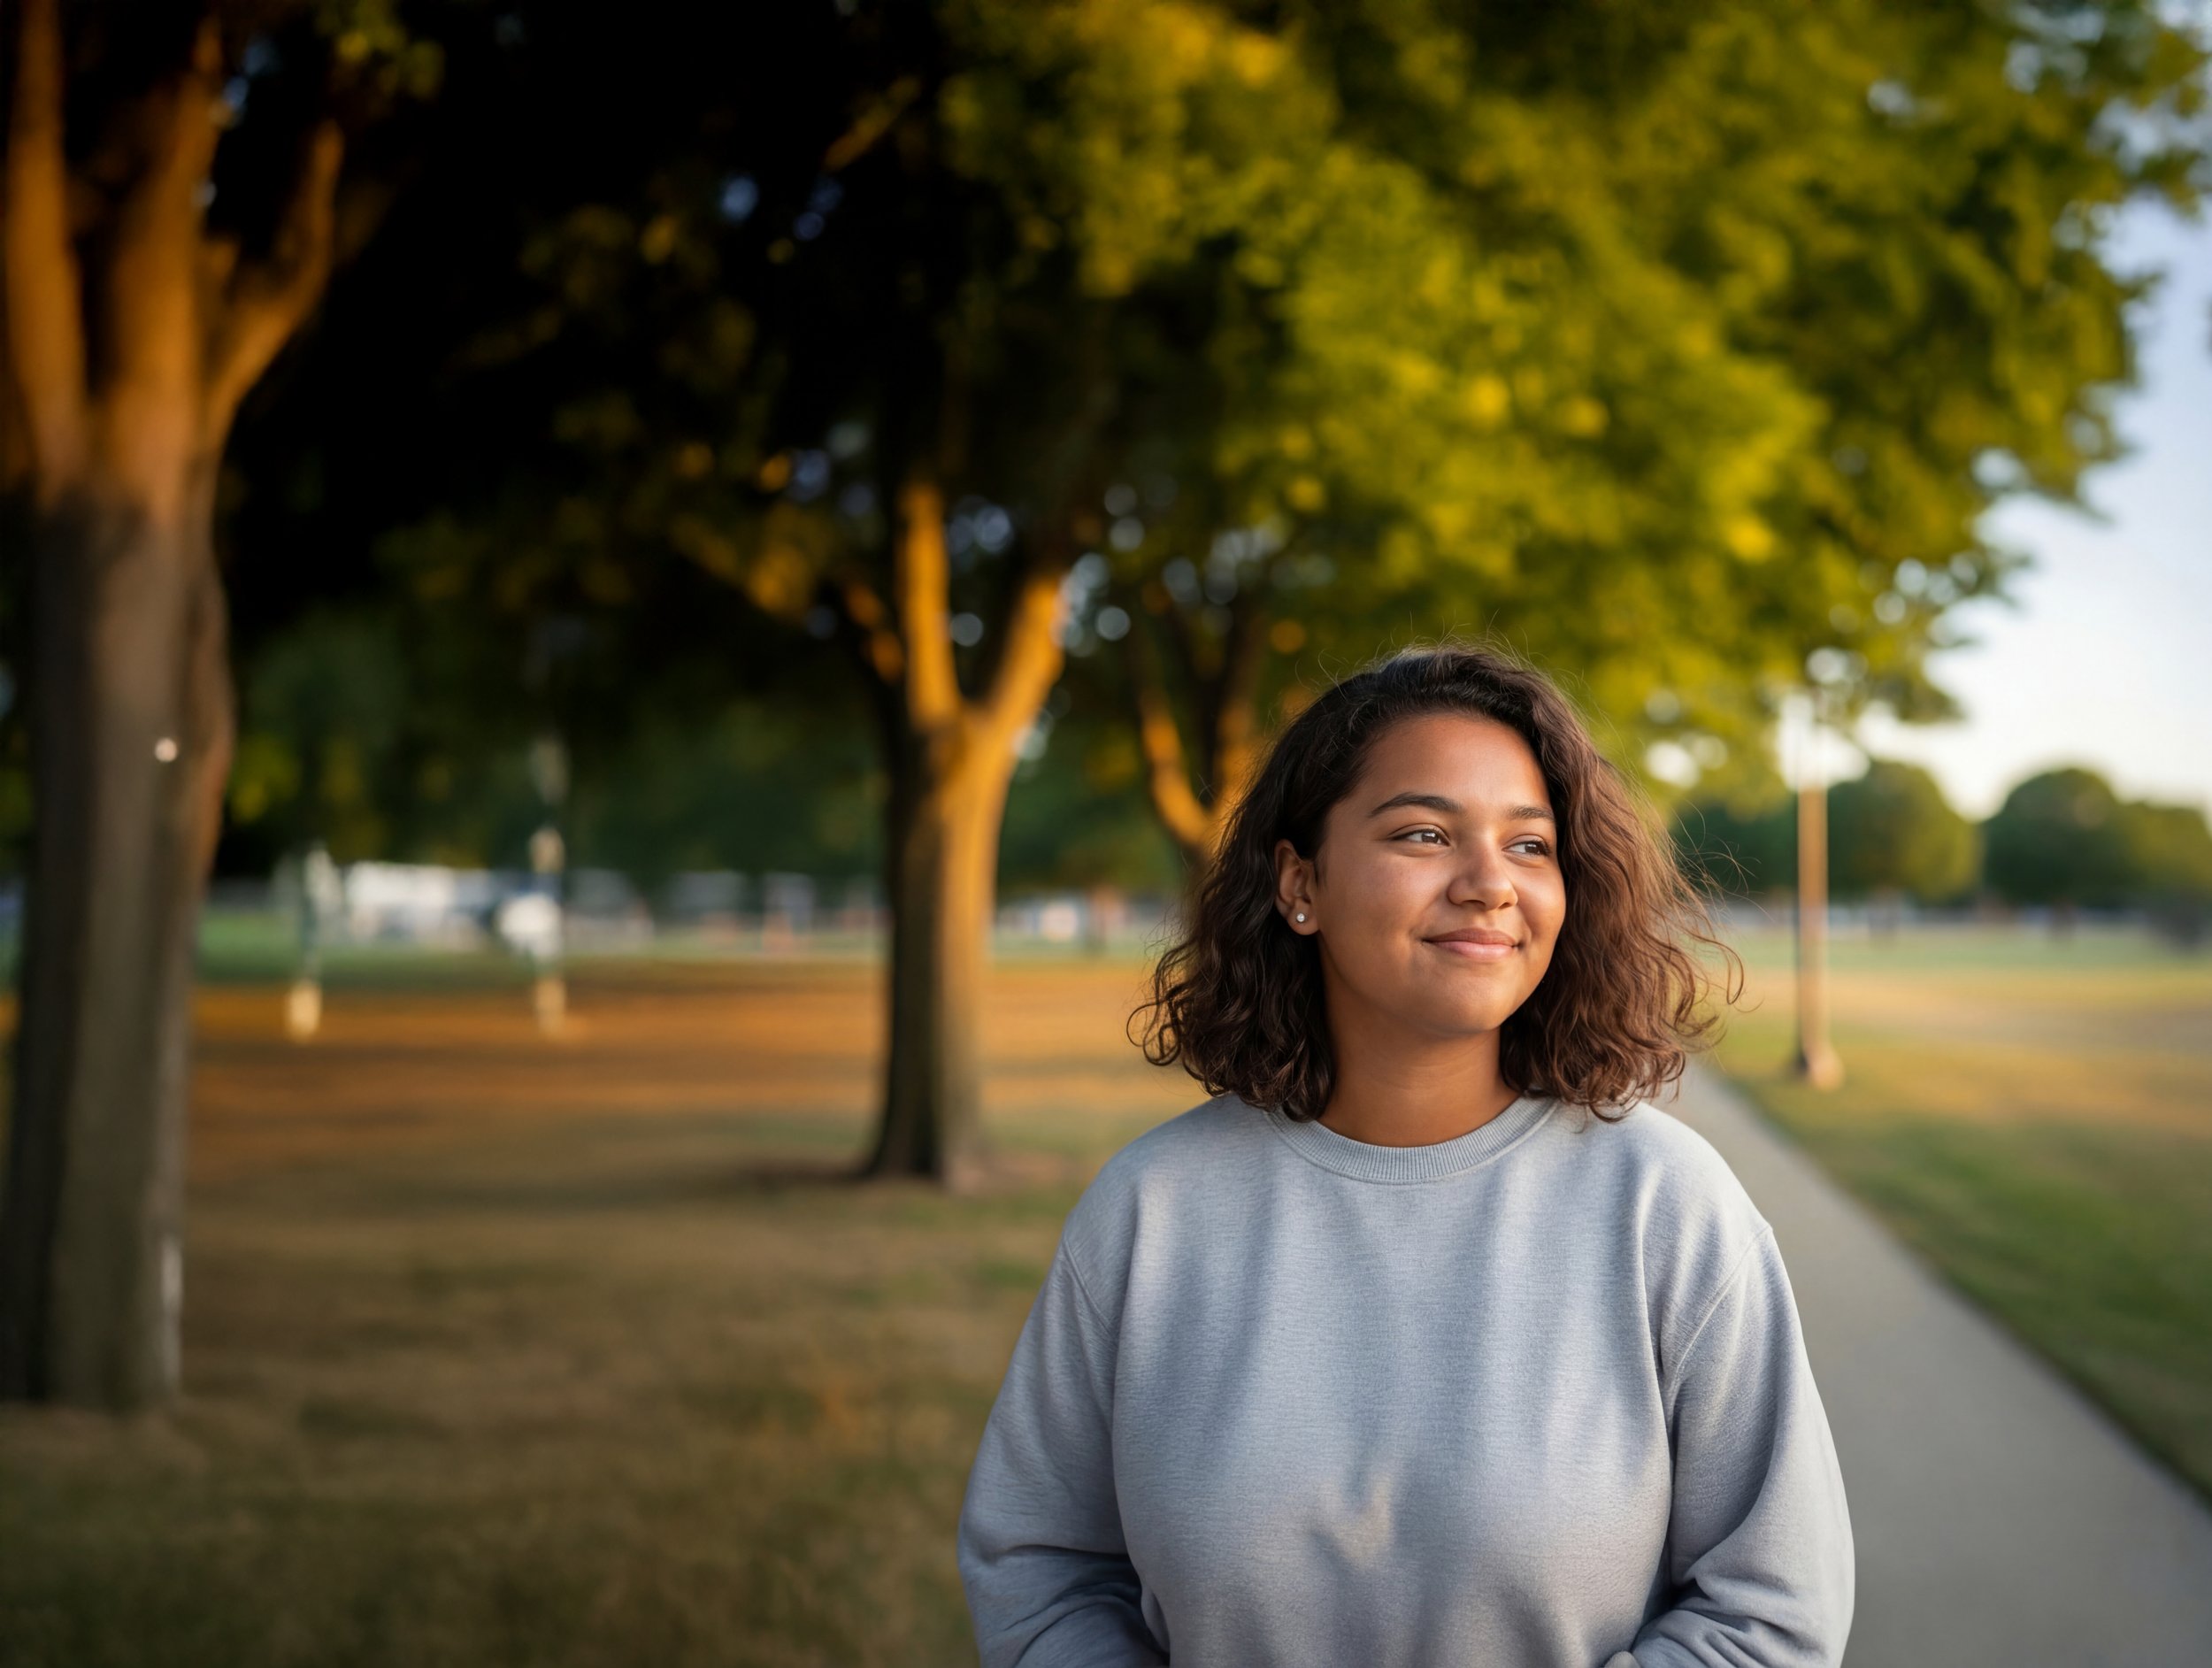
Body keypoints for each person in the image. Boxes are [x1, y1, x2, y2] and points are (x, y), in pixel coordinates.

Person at [955, 642, 1855, 1666]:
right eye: (1425, 832)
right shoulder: (1151, 1209)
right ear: (1302, 883)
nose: (1488, 885)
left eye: (1529, 845)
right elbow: (1041, 1566)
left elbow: (1773, 1611)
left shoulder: (1668, 1208)